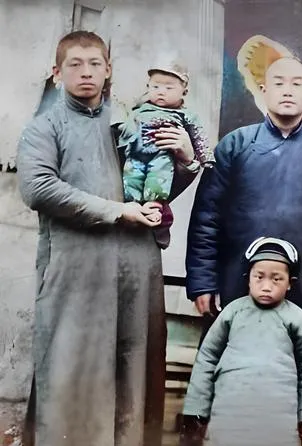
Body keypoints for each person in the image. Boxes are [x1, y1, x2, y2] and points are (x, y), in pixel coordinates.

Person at [16, 31, 199, 446]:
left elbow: (156, 190)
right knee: (72, 369)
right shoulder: (44, 128)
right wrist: (117, 211)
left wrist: (186, 160)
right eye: (75, 64)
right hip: (77, 270)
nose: (86, 72)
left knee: (134, 370)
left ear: (108, 70)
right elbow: (38, 188)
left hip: (136, 268)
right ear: (57, 72)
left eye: (95, 64)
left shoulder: (132, 121)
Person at [186, 56, 302, 347]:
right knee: (237, 359)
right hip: (240, 278)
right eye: (279, 83)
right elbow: (206, 220)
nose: (287, 91)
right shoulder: (234, 146)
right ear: (264, 91)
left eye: (296, 84)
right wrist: (203, 283)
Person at [181, 237, 302, 446]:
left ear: (290, 283)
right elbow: (207, 358)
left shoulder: (296, 318)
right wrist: (197, 407)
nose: (266, 287)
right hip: (229, 407)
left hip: (279, 411)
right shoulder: (232, 312)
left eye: (276, 279)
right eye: (259, 277)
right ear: (248, 278)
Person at [118, 60, 212, 248]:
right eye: (155, 87)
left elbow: (198, 135)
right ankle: (134, 206)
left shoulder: (184, 115)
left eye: (169, 88)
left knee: (158, 180)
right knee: (131, 178)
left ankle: (155, 208)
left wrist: (206, 158)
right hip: (136, 154)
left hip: (161, 156)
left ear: (184, 91)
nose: (161, 92)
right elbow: (126, 128)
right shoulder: (139, 109)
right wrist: (125, 138)